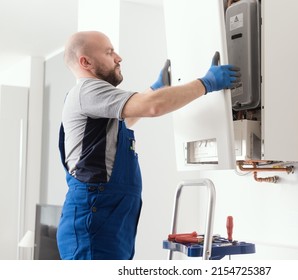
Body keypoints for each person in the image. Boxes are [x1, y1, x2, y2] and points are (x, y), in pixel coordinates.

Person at [56, 30, 240, 260]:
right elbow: (152, 107)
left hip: (106, 219)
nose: (118, 57)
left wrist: (153, 91)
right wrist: (207, 83)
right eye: (109, 52)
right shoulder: (87, 90)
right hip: (93, 221)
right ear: (86, 62)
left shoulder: (91, 100)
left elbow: (125, 120)